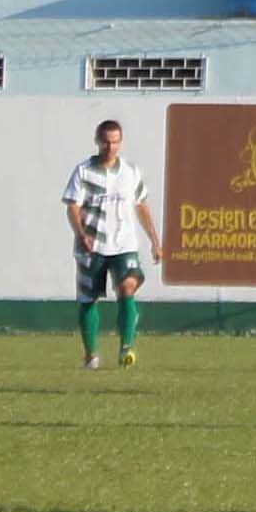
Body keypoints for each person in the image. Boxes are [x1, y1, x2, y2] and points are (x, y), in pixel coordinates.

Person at [64, 119, 162, 369]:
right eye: (106, 141)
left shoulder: (130, 172)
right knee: (88, 300)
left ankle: (126, 348)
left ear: (121, 142)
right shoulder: (84, 171)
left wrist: (154, 240)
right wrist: (81, 232)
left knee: (127, 286)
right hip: (92, 245)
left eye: (115, 141)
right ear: (98, 141)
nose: (111, 146)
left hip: (123, 244)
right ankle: (91, 355)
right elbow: (72, 205)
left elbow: (142, 205)